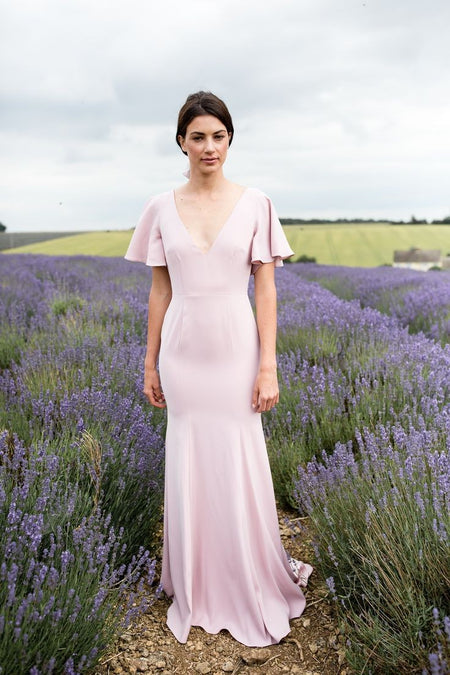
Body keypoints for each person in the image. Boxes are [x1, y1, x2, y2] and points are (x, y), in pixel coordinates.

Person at [124, 91, 313, 647]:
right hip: (183, 353)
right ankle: (194, 580)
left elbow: (267, 289)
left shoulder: (257, 202)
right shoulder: (160, 207)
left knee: (238, 454)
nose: (209, 147)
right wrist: (150, 360)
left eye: (219, 136)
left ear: (230, 140)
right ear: (180, 141)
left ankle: (248, 576)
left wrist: (268, 366)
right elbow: (159, 290)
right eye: (198, 136)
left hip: (236, 350)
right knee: (188, 456)